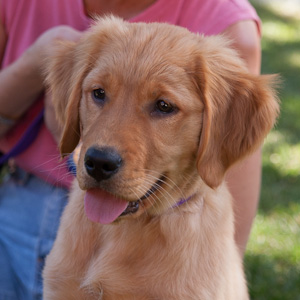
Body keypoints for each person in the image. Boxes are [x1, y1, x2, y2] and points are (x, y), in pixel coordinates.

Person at [0, 0, 261, 299]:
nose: (106, 146)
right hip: (26, 198)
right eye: (99, 93)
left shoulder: (227, 20)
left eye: (163, 107)